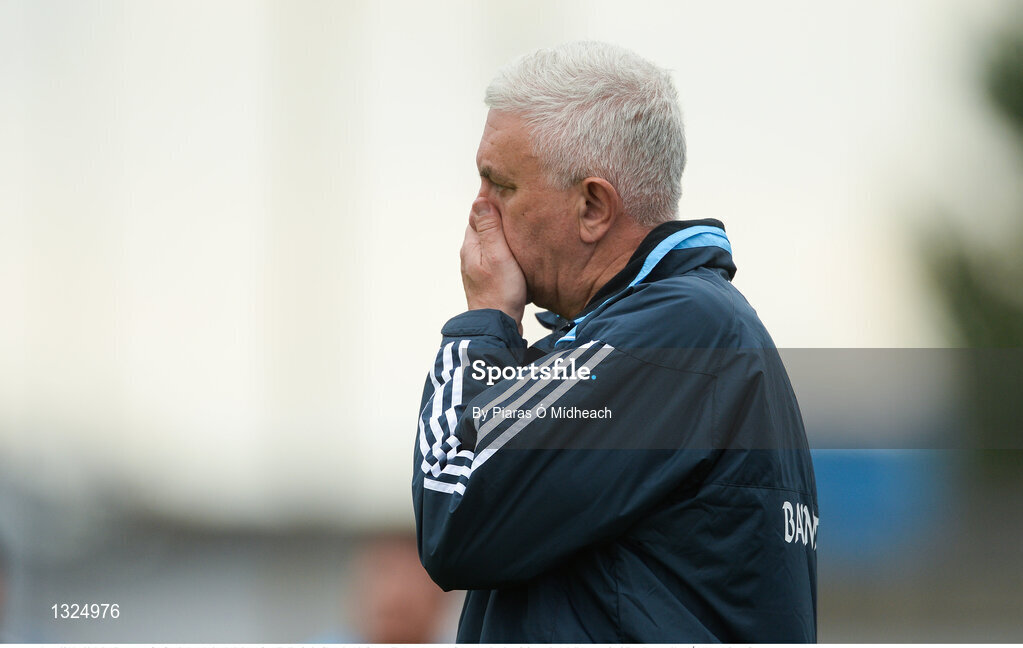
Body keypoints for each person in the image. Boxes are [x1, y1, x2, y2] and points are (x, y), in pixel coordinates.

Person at [412, 41, 818, 643]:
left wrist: (484, 323)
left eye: (501, 186)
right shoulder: (680, 331)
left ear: (593, 207)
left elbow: (457, 508)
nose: (479, 210)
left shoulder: (672, 339)